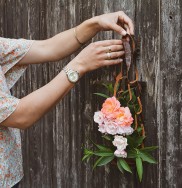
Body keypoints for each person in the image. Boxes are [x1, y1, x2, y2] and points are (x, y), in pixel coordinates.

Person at [0, 11, 134, 188]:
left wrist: (95, 23)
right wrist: (79, 65)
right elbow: (20, 116)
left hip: (9, 175)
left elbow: (48, 48)